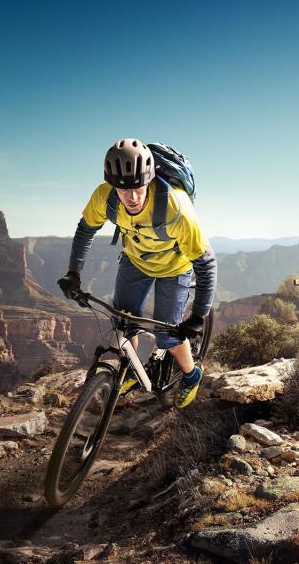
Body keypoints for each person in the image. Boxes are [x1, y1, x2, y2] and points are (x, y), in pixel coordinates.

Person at [57, 139, 217, 408]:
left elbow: (206, 263)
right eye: (123, 189)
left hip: (174, 268)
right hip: (136, 261)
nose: (132, 197)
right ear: (113, 185)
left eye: (139, 188)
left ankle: (191, 375)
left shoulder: (175, 208)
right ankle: (130, 370)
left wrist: (199, 315)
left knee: (169, 336)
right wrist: (74, 272)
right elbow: (85, 230)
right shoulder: (104, 197)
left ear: (150, 179)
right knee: (124, 323)